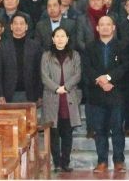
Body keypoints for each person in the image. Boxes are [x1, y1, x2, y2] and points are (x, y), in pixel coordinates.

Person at [82, 16, 128, 173]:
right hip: (97, 94)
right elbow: (87, 68)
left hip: (116, 93)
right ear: (97, 28)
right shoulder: (89, 47)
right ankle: (102, 161)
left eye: (108, 24)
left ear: (113, 27)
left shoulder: (122, 46)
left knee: (117, 129)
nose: (105, 27)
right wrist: (101, 81)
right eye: (102, 24)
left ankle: (118, 160)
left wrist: (108, 78)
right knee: (99, 130)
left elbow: (125, 66)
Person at [41, 28, 82, 173]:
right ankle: (57, 162)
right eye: (57, 36)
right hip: (52, 97)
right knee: (54, 132)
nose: (60, 39)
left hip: (69, 96)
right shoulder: (47, 55)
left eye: (62, 36)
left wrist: (66, 87)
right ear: (52, 39)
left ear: (67, 38)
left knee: (67, 132)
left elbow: (78, 74)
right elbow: (44, 76)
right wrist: (56, 88)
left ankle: (65, 162)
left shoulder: (75, 55)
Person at [5, 13, 43, 104]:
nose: (18, 26)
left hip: (30, 94)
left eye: (21, 24)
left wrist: (40, 95)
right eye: (15, 23)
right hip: (9, 94)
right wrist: (0, 95)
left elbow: (39, 72)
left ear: (26, 27)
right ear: (11, 26)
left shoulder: (35, 46)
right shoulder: (3, 46)